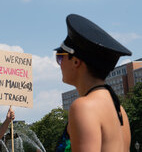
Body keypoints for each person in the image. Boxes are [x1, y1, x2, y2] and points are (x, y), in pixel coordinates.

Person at [55, 14, 131, 152]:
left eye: (60, 57)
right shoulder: (119, 110)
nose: (59, 64)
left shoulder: (84, 107)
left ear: (76, 61)